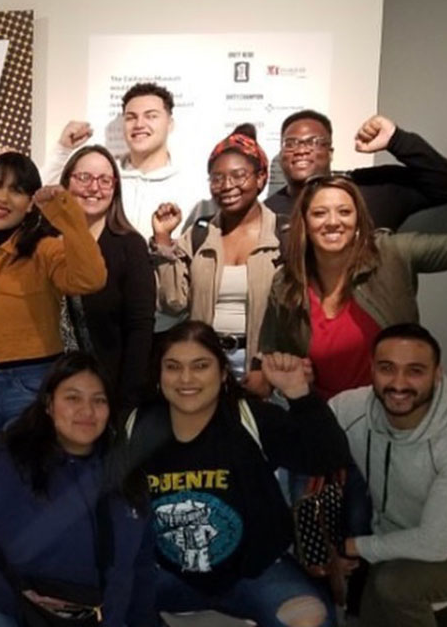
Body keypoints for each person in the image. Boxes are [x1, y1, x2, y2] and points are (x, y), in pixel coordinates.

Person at [0, 352, 157, 627]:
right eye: (73, 398)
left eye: (98, 400)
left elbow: (140, 564)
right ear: (49, 405)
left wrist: (144, 626)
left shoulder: (125, 476)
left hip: (93, 621)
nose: (87, 410)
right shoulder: (5, 457)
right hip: (3, 611)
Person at [128, 321, 351, 627]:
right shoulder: (138, 428)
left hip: (257, 574)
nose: (186, 378)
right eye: (173, 367)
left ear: (222, 373)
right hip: (167, 575)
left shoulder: (250, 419)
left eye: (200, 366)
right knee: (97, 610)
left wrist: (299, 394)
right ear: (159, 375)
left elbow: (329, 456)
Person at [260, 156, 447, 399]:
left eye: (344, 212)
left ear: (358, 219)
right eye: (320, 213)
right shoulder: (287, 283)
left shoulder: (391, 254)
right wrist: (293, 373)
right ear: (305, 223)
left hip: (391, 413)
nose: (333, 222)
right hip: (323, 418)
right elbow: (275, 353)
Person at [328, 324, 447, 627]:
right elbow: (305, 440)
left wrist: (350, 546)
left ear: (437, 374)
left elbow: (433, 544)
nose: (399, 383)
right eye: (387, 368)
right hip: (395, 535)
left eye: (415, 371)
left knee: (395, 585)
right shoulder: (350, 408)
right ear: (372, 369)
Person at [0, 151, 106, 439]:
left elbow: (90, 279)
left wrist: (66, 214)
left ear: (29, 205)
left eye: (17, 190)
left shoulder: (44, 249)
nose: (2, 197)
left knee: (29, 475)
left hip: (30, 383)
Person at [151, 124, 280, 393]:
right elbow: (173, 302)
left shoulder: (284, 235)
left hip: (261, 369)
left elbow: (293, 316)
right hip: (205, 364)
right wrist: (163, 239)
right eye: (217, 178)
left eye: (238, 175)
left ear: (260, 177)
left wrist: (265, 365)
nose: (227, 186)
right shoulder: (198, 234)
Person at [57, 145, 155, 416]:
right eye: (84, 178)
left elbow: (140, 328)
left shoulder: (129, 246)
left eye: (104, 180)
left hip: (106, 393)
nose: (94, 188)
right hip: (47, 390)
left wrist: (126, 402)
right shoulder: (47, 242)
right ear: (66, 183)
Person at [43, 82, 205, 238]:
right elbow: (45, 195)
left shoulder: (193, 184)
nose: (139, 124)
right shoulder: (105, 177)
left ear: (170, 124)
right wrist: (63, 149)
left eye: (151, 116)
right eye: (131, 117)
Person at [269, 110, 447, 231]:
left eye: (314, 142)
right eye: (291, 143)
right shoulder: (267, 214)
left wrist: (397, 140)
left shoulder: (374, 189)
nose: (302, 149)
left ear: (330, 152)